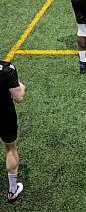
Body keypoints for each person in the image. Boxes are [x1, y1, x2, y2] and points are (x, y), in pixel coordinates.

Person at [0, 61, 26, 202]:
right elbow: (19, 97)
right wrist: (21, 86)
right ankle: (12, 190)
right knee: (10, 149)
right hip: (4, 115)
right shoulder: (6, 69)